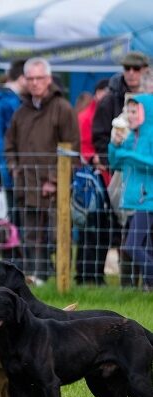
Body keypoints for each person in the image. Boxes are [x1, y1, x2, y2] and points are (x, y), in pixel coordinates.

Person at [5, 57, 80, 286]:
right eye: (31, 78)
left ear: (48, 79)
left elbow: (72, 148)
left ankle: (61, 280)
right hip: (27, 185)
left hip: (55, 189)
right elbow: (10, 144)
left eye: (39, 78)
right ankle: (36, 279)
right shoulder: (21, 111)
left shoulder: (62, 108)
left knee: (58, 236)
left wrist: (55, 181)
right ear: (25, 81)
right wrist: (15, 169)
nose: (35, 83)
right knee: (30, 236)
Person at [93, 51, 150, 288]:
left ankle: (146, 284)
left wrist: (127, 155)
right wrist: (114, 149)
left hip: (146, 190)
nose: (132, 73)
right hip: (130, 188)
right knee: (129, 239)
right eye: (128, 68)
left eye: (137, 69)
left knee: (135, 242)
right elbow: (109, 150)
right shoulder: (112, 103)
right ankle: (132, 286)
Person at [108, 95, 153, 291]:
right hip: (135, 200)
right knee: (145, 246)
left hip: (147, 200)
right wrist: (114, 145)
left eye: (135, 111)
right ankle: (149, 286)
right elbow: (115, 162)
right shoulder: (130, 136)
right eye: (129, 111)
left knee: (132, 246)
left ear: (146, 112)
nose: (130, 116)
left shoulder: (150, 135)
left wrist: (128, 155)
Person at [75, 78, 111, 285]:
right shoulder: (86, 116)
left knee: (102, 230)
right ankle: (85, 274)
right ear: (97, 93)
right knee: (89, 229)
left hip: (105, 180)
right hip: (89, 181)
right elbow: (81, 147)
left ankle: (96, 274)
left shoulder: (105, 115)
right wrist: (93, 158)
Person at [0, 60, 26, 194]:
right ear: (22, 78)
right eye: (30, 78)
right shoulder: (10, 102)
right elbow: (12, 139)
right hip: (7, 169)